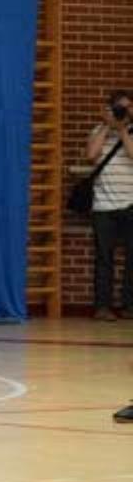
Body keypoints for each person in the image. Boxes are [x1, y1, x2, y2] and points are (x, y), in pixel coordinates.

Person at [83, 89, 133, 321]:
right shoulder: (98, 130)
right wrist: (106, 125)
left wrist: (122, 129)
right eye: (120, 107)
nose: (124, 111)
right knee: (104, 257)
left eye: (128, 107)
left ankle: (129, 305)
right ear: (110, 108)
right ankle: (102, 306)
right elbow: (91, 156)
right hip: (103, 206)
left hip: (131, 204)